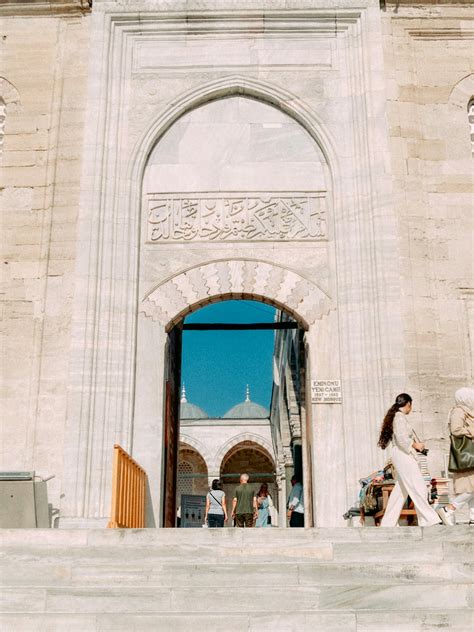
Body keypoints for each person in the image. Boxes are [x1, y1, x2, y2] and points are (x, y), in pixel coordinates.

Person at [378, 393, 441, 527]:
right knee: (418, 486)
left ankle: (387, 523)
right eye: (411, 405)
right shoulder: (399, 417)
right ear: (408, 404)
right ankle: (429, 519)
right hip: (403, 454)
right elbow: (401, 439)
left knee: (401, 491)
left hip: (401, 454)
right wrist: (415, 445)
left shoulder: (397, 417)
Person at [437, 387, 474, 525]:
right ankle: (449, 509)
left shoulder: (467, 411)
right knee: (470, 488)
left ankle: (473, 518)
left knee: (471, 488)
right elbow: (456, 429)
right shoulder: (459, 411)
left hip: (470, 456)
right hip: (467, 455)